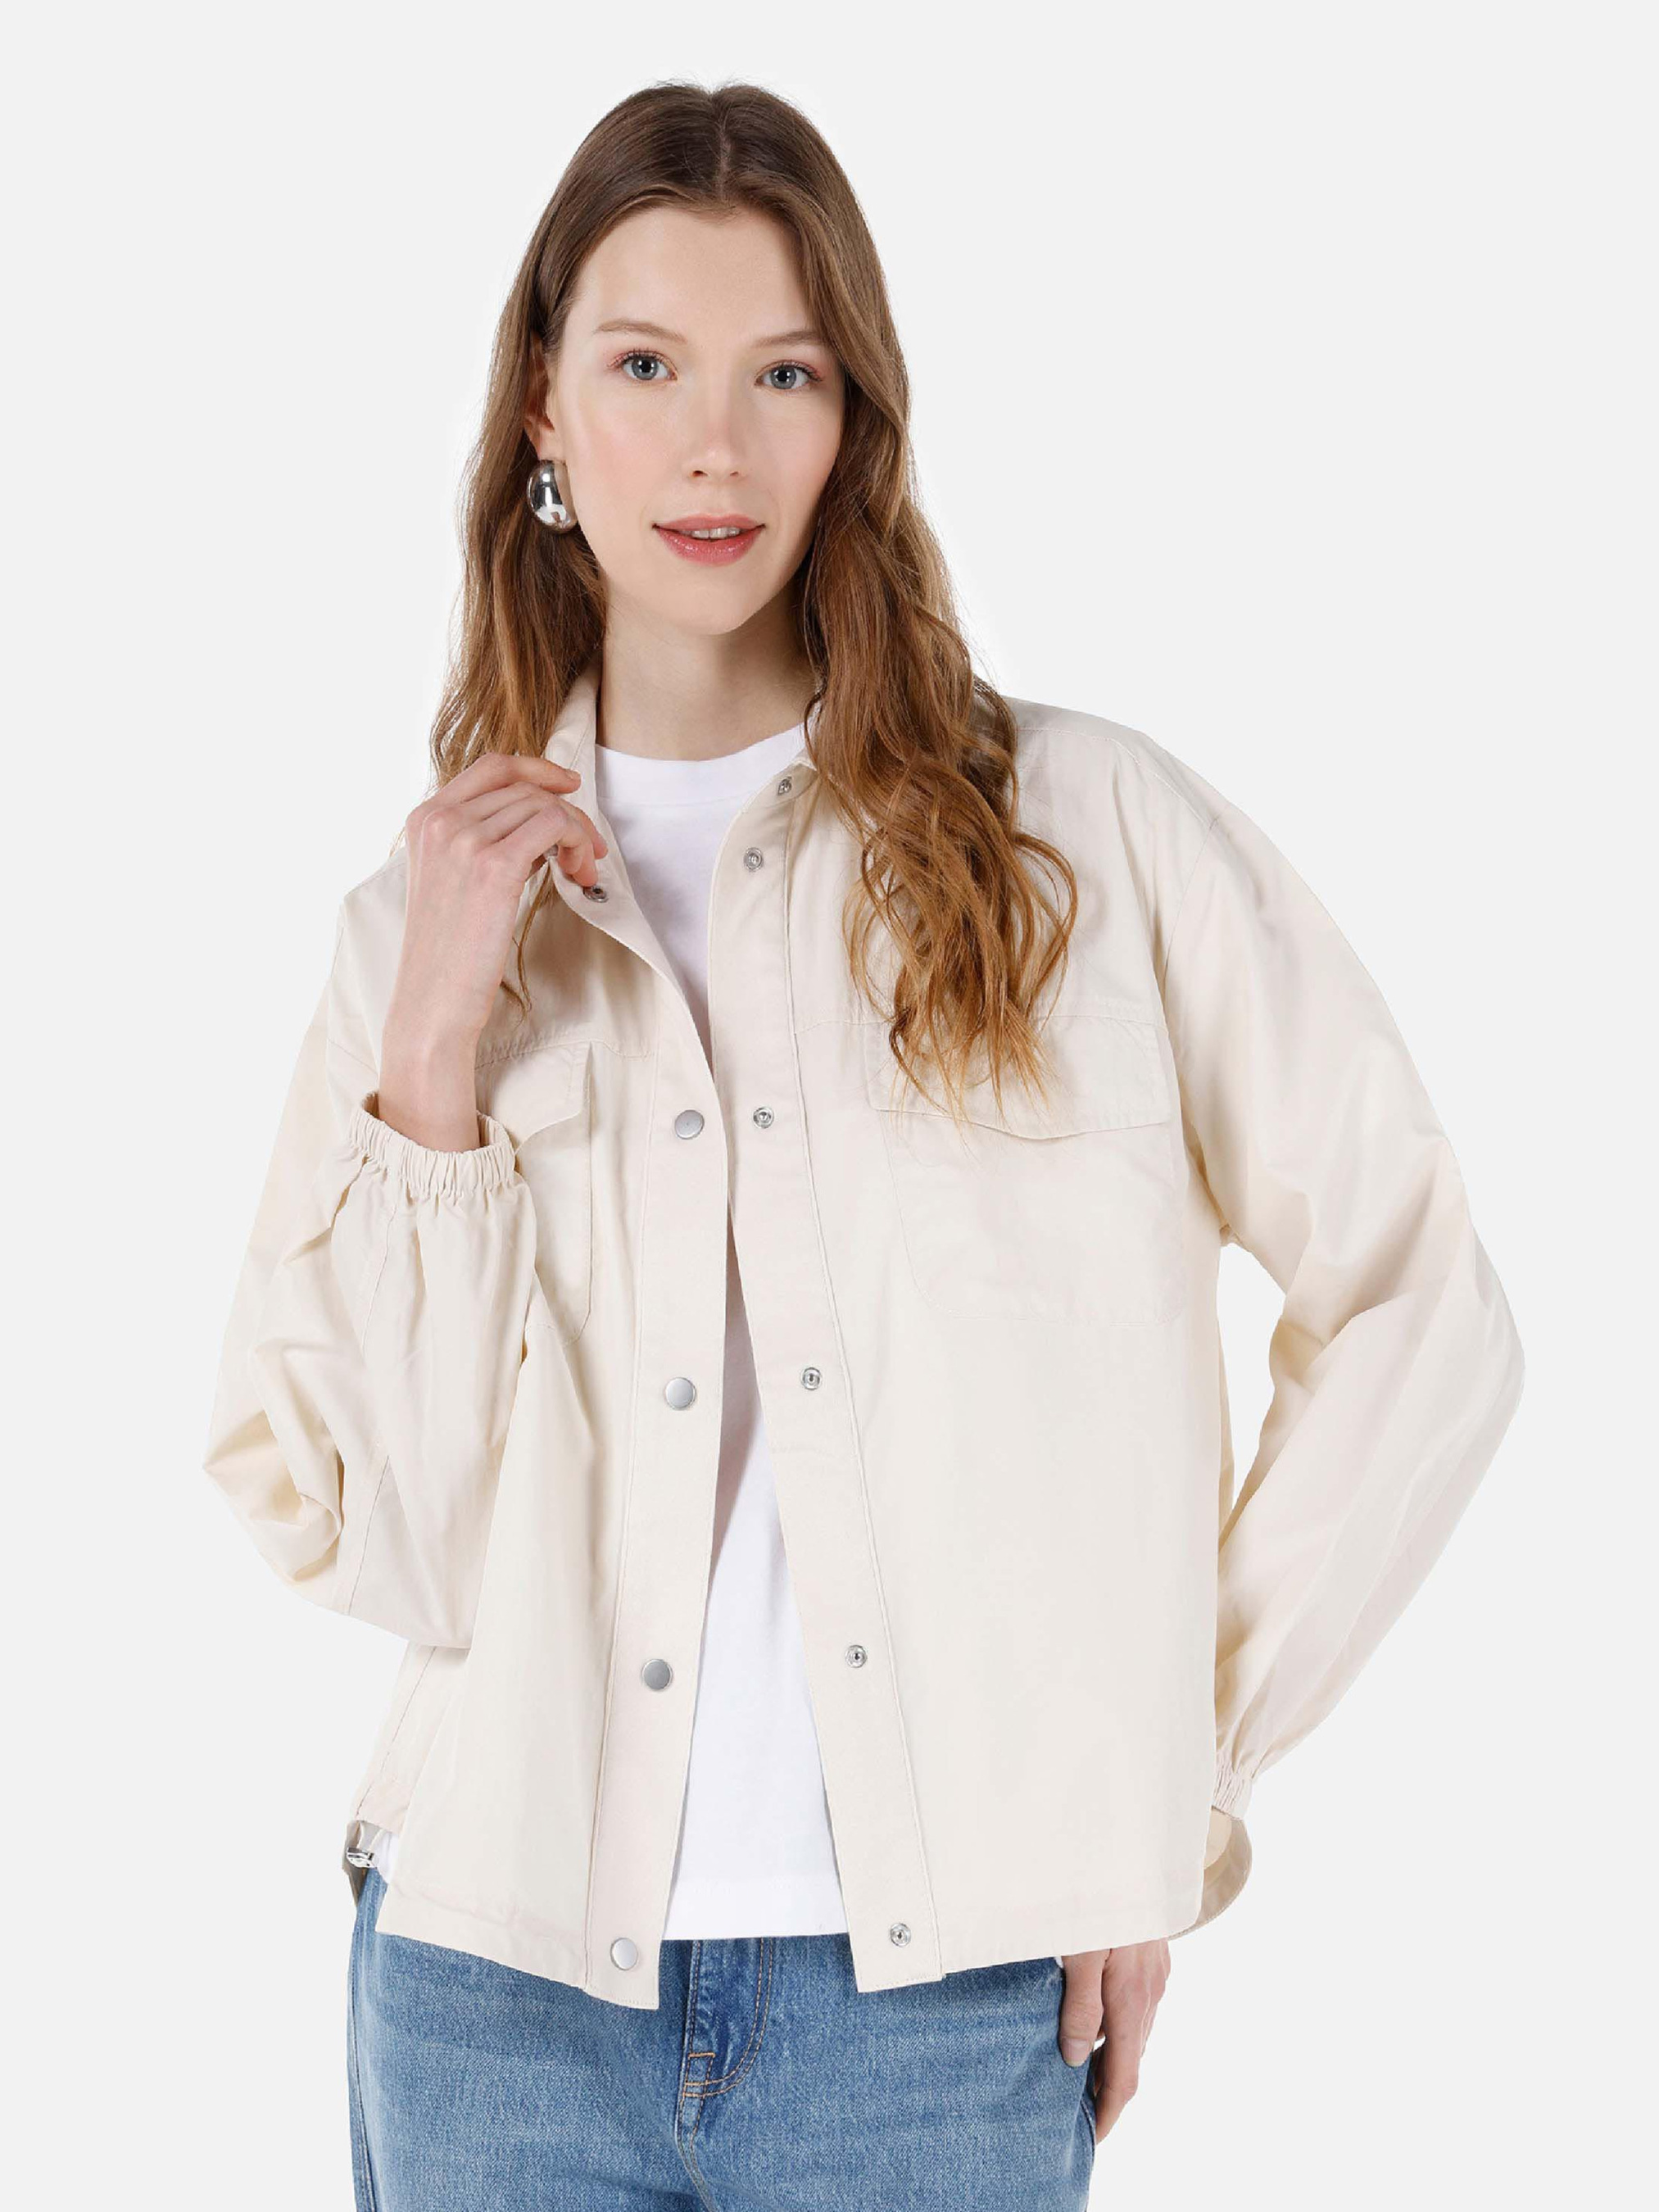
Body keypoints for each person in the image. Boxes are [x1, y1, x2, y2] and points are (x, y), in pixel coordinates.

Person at [202, 79, 1525, 2212]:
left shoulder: (1084, 841)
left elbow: (1418, 1304)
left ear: (855, 423)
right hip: (489, 1998)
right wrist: (433, 1047)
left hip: (936, 2018)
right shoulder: (417, 924)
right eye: (646, 366)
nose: (713, 449)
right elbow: (379, 1541)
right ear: (543, 408)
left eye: (785, 373)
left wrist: (1159, 1785)